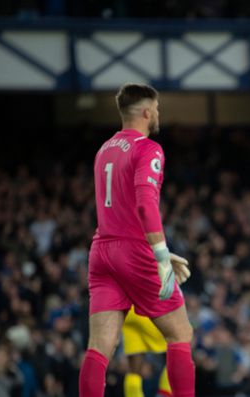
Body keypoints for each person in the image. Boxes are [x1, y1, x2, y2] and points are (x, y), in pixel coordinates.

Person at [79, 83, 194, 397]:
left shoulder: (104, 150)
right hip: (134, 251)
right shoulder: (149, 149)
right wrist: (159, 255)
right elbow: (145, 204)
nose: (157, 115)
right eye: (156, 109)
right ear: (146, 111)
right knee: (180, 334)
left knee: (100, 347)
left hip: (101, 250)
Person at [122, 306, 172, 397]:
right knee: (176, 348)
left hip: (129, 312)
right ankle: (166, 393)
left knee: (133, 369)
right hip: (146, 307)